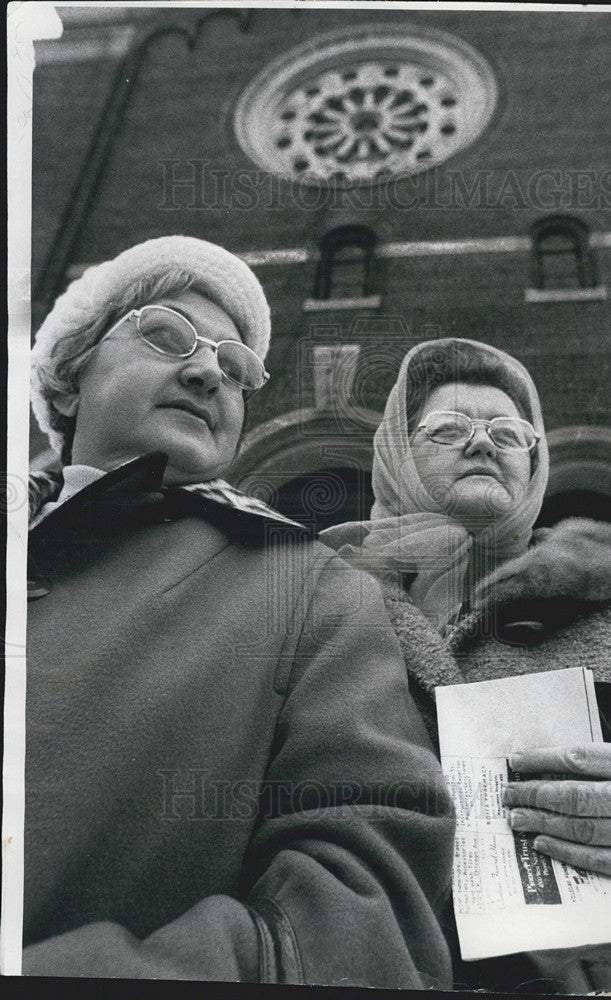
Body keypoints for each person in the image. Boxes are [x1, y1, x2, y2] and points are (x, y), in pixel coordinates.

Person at [23, 236, 455, 986]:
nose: (205, 371)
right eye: (166, 335)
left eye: (235, 367)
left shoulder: (311, 588)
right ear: (67, 375)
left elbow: (368, 900)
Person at [321, 337, 611, 998]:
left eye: (510, 431)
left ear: (536, 460)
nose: (484, 443)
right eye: (448, 428)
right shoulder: (321, 609)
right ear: (394, 451)